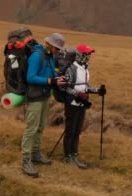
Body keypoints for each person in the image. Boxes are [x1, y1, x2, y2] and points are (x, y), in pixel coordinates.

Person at [21, 32, 67, 178]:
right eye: (57, 48)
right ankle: (26, 160)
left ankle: (36, 154)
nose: (58, 51)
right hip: (34, 97)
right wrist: (50, 82)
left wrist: (57, 77)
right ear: (51, 45)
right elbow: (31, 77)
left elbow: (52, 72)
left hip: (45, 96)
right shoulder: (36, 56)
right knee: (31, 129)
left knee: (41, 127)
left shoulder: (50, 56)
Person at [62, 44, 106, 169]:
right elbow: (64, 87)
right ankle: (67, 157)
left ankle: (74, 155)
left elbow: (85, 87)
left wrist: (97, 90)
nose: (88, 57)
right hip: (72, 104)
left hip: (81, 103)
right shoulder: (71, 69)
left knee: (77, 130)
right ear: (80, 55)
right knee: (70, 131)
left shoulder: (85, 69)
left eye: (89, 54)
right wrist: (78, 94)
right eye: (86, 54)